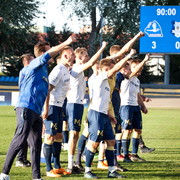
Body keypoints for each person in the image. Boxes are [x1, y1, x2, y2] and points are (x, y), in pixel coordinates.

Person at [0, 34, 77, 180]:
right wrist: (67, 42)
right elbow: (52, 52)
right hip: (26, 107)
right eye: (49, 51)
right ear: (42, 54)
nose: (53, 54)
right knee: (20, 139)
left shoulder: (44, 70)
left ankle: (36, 177)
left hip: (36, 111)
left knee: (36, 144)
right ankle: (4, 173)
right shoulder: (35, 64)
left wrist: (44, 109)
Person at [84, 49, 135, 179]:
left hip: (104, 115)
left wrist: (109, 115)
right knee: (94, 143)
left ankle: (111, 170)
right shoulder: (100, 77)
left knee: (111, 142)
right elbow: (117, 67)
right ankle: (87, 171)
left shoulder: (107, 82)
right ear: (104, 69)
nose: (113, 72)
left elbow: (104, 99)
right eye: (111, 69)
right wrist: (129, 55)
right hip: (95, 114)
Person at [66, 41, 108, 174]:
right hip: (73, 104)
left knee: (77, 134)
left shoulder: (77, 68)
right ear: (79, 57)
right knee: (73, 134)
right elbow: (90, 64)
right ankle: (70, 165)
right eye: (85, 55)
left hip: (77, 104)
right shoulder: (77, 67)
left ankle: (75, 163)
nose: (88, 57)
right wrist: (102, 48)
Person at [41, 46, 75, 177]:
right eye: (72, 54)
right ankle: (49, 169)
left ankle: (57, 166)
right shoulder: (58, 69)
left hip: (59, 106)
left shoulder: (66, 69)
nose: (74, 57)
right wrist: (46, 108)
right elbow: (47, 89)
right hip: (52, 106)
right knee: (49, 136)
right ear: (66, 56)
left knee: (59, 137)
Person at [119, 54, 150, 163]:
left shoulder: (136, 80)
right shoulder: (128, 77)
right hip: (126, 107)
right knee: (127, 131)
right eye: (138, 68)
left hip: (135, 107)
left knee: (138, 130)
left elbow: (137, 95)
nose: (140, 69)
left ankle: (134, 154)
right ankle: (125, 155)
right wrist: (144, 61)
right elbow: (134, 70)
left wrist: (143, 106)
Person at [15, 53, 34, 168]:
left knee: (26, 133)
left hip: (29, 106)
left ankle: (23, 158)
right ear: (27, 62)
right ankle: (20, 159)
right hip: (24, 106)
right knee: (22, 133)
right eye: (32, 60)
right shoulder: (25, 71)